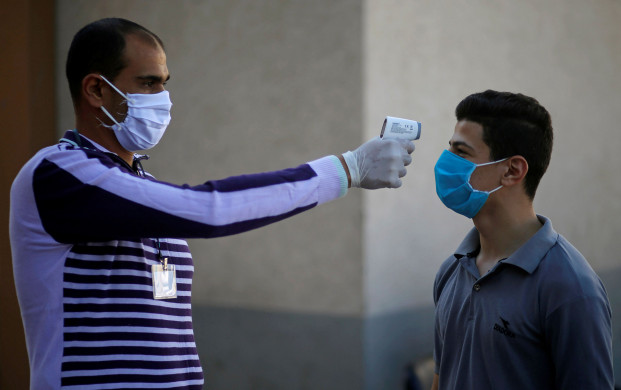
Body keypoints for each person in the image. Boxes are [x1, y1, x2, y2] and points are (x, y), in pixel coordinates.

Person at [9, 18, 415, 389]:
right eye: (149, 83)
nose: (164, 99)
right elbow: (210, 211)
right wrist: (345, 170)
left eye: (166, 83)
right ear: (96, 89)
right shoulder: (58, 173)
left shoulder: (135, 184)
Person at [431, 90, 614, 390]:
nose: (445, 164)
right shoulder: (451, 271)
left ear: (512, 170)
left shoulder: (571, 288)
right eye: (449, 149)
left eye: (461, 153)